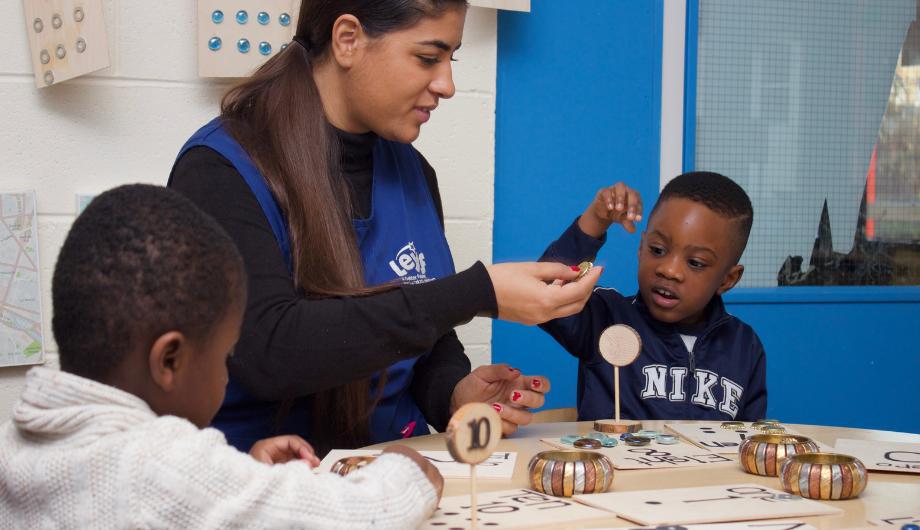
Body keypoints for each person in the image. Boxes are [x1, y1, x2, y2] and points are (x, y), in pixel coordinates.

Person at [168, 0, 601, 453]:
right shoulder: (219, 171)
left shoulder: (414, 173)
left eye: (450, 59)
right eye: (427, 58)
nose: (447, 85)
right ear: (348, 40)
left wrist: (453, 393)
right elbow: (269, 351)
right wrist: (477, 292)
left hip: (391, 475)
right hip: (267, 483)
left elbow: (426, 335)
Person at [0, 185, 443, 529]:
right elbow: (365, 517)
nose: (227, 376)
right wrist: (405, 473)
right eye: (224, 355)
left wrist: (243, 474)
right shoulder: (157, 468)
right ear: (169, 360)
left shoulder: (15, 445)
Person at [539, 172, 767, 422]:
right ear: (641, 247)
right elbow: (544, 292)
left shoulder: (744, 345)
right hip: (615, 461)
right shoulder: (606, 318)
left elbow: (750, 441)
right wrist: (595, 220)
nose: (669, 270)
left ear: (727, 279)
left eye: (696, 263)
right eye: (657, 250)